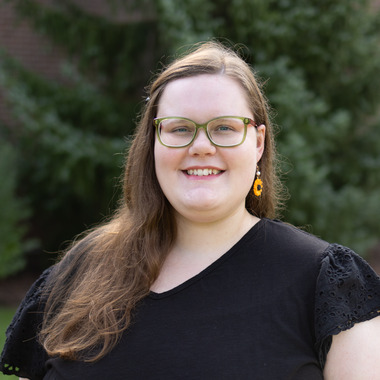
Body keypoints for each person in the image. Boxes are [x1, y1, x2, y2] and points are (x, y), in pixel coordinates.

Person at [1, 41, 380, 380]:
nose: (200, 146)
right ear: (153, 142)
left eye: (225, 128)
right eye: (180, 128)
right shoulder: (79, 272)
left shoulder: (325, 284)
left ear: (259, 143)